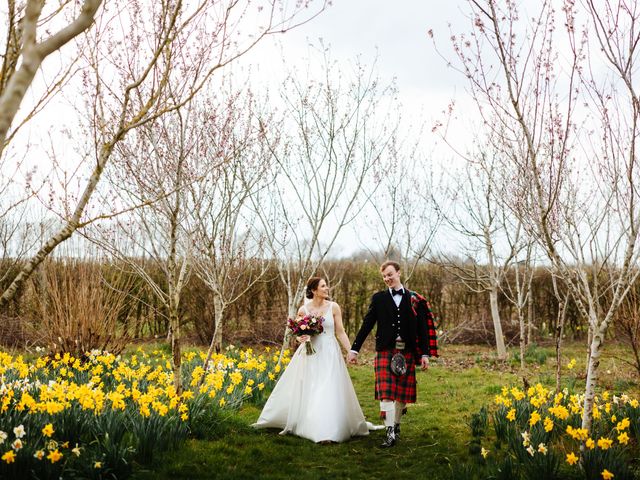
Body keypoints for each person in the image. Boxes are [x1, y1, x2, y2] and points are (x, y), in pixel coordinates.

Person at [253, 276, 372, 443]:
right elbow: (298, 333)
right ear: (314, 290)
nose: (327, 288)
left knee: (328, 387)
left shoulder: (334, 307)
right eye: (323, 286)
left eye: (326, 286)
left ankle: (329, 430)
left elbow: (340, 332)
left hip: (330, 353)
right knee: (312, 387)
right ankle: (313, 424)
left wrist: (351, 351)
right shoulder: (304, 310)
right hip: (310, 354)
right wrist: (300, 339)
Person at [347, 261, 437, 448]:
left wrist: (425, 354)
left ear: (398, 272)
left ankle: (395, 425)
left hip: (408, 351)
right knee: (386, 393)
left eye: (390, 274)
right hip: (386, 350)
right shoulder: (378, 299)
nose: (387, 279)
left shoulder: (414, 299)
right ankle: (389, 433)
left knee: (401, 396)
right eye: (384, 277)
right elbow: (367, 324)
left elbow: (422, 329)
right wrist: (354, 349)